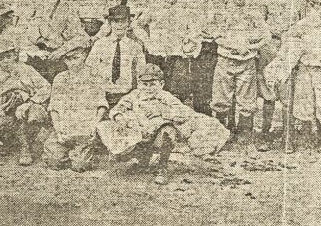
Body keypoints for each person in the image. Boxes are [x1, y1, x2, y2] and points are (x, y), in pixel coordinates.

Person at [98, 64, 229, 185]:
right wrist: (120, 117)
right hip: (140, 133)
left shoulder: (166, 96)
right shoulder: (134, 95)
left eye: (153, 84)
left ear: (161, 84)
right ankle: (143, 162)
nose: (148, 88)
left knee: (168, 130)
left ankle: (162, 167)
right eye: (145, 84)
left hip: (158, 135)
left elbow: (184, 112)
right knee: (108, 130)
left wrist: (161, 111)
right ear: (139, 84)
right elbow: (118, 108)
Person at [267, 0, 321, 158]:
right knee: (305, 109)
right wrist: (295, 54)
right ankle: (308, 148)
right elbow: (288, 39)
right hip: (306, 71)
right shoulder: (304, 24)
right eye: (320, 5)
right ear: (313, 6)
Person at [0, 39, 50, 166]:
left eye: (8, 57)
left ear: (15, 56)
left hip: (25, 112)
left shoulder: (27, 70)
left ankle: (26, 147)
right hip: (4, 116)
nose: (5, 61)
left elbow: (46, 88)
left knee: (35, 113)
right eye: (0, 58)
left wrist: (30, 102)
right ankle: (7, 145)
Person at [210, 0, 270, 144]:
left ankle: (245, 131)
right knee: (221, 98)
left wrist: (252, 48)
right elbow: (216, 36)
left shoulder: (254, 14)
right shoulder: (222, 13)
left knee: (247, 99)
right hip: (226, 60)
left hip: (246, 61)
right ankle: (222, 132)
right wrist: (232, 46)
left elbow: (266, 36)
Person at [134, 0, 202, 104]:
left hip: (177, 56)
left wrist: (189, 41)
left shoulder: (186, 9)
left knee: (177, 92)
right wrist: (147, 42)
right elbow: (136, 25)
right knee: (153, 89)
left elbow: (195, 30)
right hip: (157, 56)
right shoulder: (153, 8)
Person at [43, 36, 108, 172]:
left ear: (84, 55)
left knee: (80, 166)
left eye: (75, 58)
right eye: (67, 59)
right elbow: (53, 107)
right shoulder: (60, 78)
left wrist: (94, 125)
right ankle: (68, 152)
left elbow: (101, 104)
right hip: (65, 126)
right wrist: (58, 129)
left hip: (85, 127)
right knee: (54, 162)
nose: (71, 63)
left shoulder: (95, 76)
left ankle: (80, 153)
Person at [255, 0, 298, 152]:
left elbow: (302, 25)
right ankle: (265, 134)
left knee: (287, 95)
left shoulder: (298, 2)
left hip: (289, 49)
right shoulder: (266, 0)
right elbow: (259, 23)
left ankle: (288, 137)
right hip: (269, 48)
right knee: (268, 94)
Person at [22, 0, 83, 82]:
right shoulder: (32, 4)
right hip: (35, 55)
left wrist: (61, 51)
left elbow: (80, 36)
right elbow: (22, 31)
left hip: (58, 56)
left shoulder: (67, 6)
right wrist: (35, 50)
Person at [86, 5, 146, 108]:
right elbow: (89, 69)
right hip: (102, 96)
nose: (119, 25)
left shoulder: (135, 46)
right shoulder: (100, 44)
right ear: (109, 23)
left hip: (126, 96)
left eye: (123, 21)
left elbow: (141, 72)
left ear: (128, 23)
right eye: (115, 21)